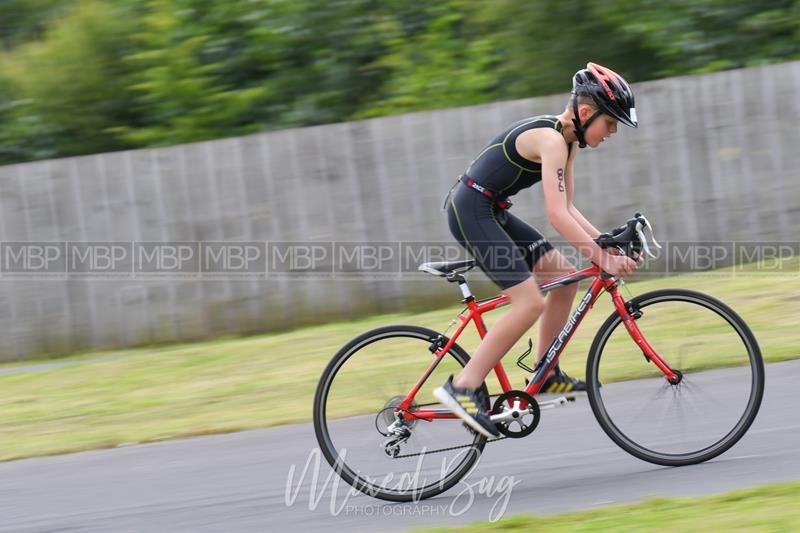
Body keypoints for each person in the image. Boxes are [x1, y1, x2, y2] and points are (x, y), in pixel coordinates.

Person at [433, 62, 639, 438]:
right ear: (588, 112)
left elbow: (571, 208)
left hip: (490, 210)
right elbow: (557, 216)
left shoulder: (569, 141)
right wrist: (603, 258)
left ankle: (545, 372)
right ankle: (462, 386)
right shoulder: (552, 140)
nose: (612, 132)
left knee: (562, 279)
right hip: (470, 211)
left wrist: (606, 241)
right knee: (528, 302)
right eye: (610, 123)